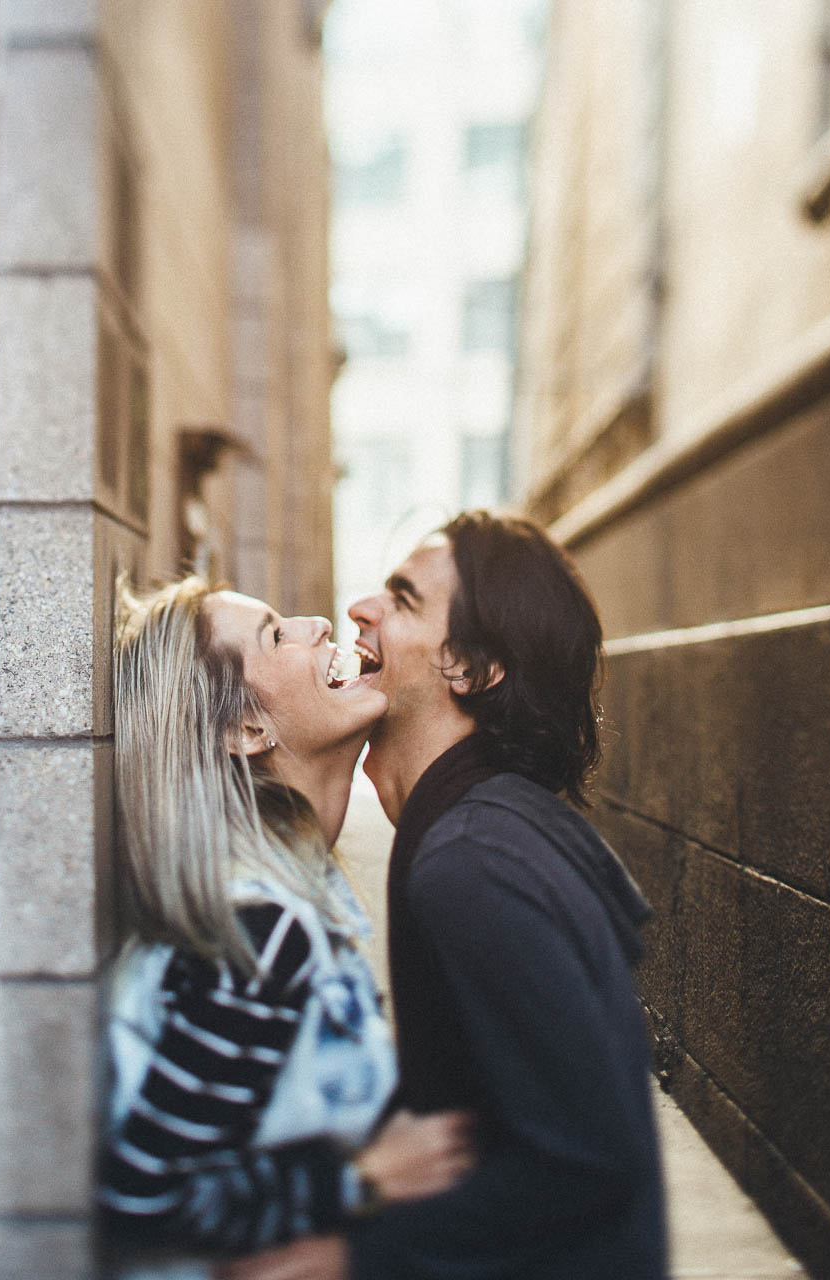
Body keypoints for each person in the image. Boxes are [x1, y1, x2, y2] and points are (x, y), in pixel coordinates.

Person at [224, 511, 666, 1280]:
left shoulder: (472, 864)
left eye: (401, 598)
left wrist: (341, 1257)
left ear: (469, 666)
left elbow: (587, 1160)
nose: (361, 608)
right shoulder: (479, 831)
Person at [100, 577, 476, 1277]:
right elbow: (143, 1196)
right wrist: (362, 1182)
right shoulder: (259, 931)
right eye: (276, 634)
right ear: (245, 729)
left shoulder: (287, 902)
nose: (318, 624)